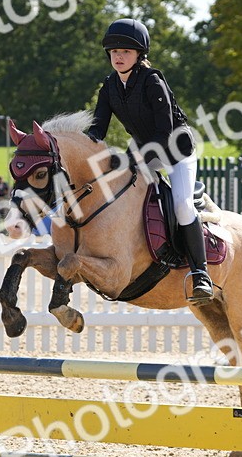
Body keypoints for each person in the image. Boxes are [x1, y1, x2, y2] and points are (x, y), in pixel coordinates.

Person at [86, 17, 213, 303]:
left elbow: (164, 132)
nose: (118, 57)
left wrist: (132, 157)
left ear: (139, 55)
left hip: (176, 152)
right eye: (114, 52)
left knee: (181, 204)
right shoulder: (109, 87)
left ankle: (200, 273)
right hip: (145, 153)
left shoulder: (152, 81)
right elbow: (97, 129)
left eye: (126, 52)